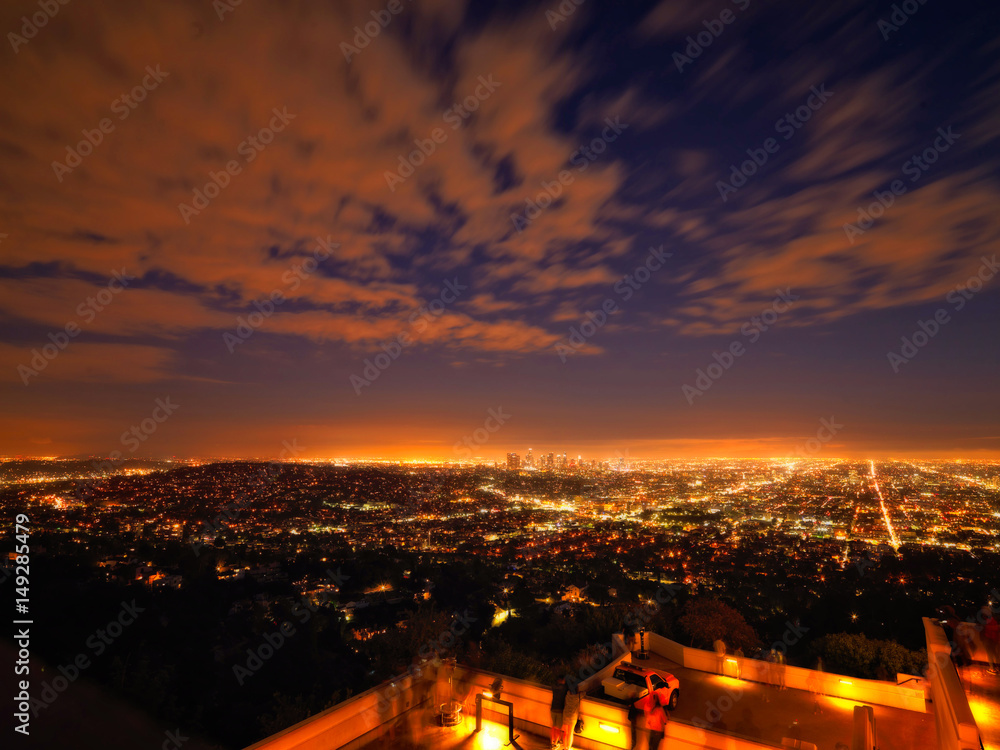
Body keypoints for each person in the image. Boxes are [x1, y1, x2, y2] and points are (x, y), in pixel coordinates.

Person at [562, 679, 582, 749]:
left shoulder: (567, 694)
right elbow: (584, 694)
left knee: (565, 733)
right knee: (570, 733)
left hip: (565, 714)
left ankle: (565, 747)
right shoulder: (577, 697)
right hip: (572, 716)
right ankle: (569, 747)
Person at [550, 675, 567, 749]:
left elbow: (553, 685)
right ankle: (555, 743)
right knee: (558, 728)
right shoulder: (564, 688)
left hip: (553, 709)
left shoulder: (554, 687)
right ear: (562, 680)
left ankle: (551, 742)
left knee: (553, 727)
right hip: (560, 710)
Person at [983, 606, 1000, 675]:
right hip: (994, 639)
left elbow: (989, 629)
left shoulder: (988, 620)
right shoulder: (993, 619)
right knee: (995, 654)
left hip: (990, 640)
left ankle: (992, 669)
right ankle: (996, 667)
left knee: (990, 654)